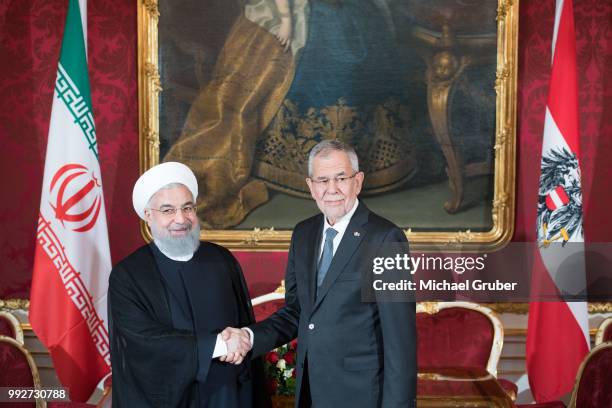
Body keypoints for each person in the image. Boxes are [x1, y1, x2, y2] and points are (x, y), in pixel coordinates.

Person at [223, 140, 417, 407]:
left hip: (361, 395)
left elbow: (400, 340)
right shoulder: (304, 233)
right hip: (310, 391)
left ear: (357, 181)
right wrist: (249, 337)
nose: (332, 189)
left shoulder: (385, 238)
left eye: (341, 178)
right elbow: (296, 312)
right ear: (311, 187)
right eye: (322, 180)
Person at [108, 162, 268, 407]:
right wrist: (217, 344)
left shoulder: (222, 260)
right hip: (168, 399)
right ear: (148, 216)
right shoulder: (128, 275)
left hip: (226, 395)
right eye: (168, 210)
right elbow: (144, 343)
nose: (181, 219)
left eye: (187, 208)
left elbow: (243, 324)